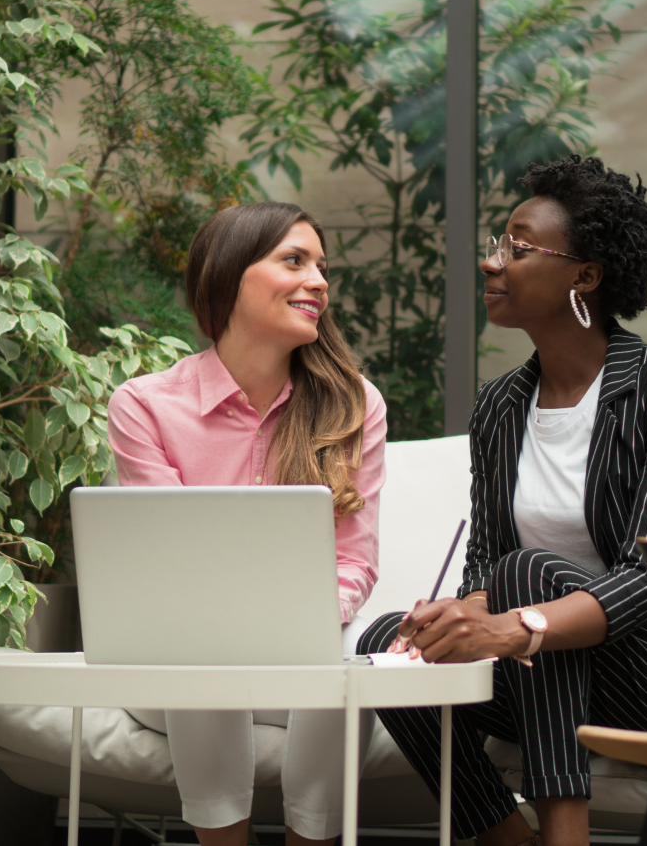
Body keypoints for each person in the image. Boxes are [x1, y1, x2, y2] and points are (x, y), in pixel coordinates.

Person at [357, 155, 647, 846]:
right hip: (561, 681)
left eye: (517, 248)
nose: (492, 263)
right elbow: (484, 563)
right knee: (389, 641)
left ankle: (565, 836)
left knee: (529, 575)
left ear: (585, 275)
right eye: (496, 246)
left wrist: (514, 625)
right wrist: (460, 614)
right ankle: (507, 839)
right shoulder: (499, 406)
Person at [108, 201, 387, 846]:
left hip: (305, 655)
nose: (319, 280)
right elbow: (168, 565)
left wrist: (303, 623)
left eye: (323, 265)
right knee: (200, 638)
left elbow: (355, 562)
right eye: (295, 260)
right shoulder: (145, 406)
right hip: (182, 665)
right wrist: (234, 621)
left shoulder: (353, 404)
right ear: (229, 276)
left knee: (362, 652)